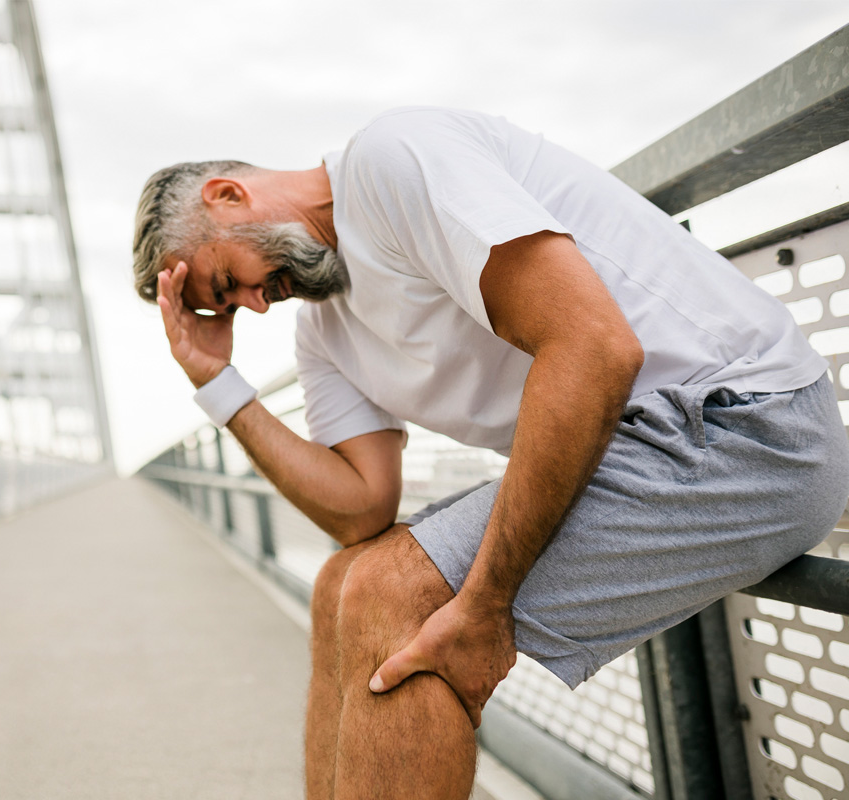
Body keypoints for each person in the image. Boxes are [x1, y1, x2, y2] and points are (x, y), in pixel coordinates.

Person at [130, 107, 849, 799]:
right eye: (230, 308)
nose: (254, 306)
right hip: (636, 448)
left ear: (228, 195)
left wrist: (484, 607)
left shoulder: (393, 160)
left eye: (229, 283)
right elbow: (359, 511)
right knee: (342, 583)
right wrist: (220, 385)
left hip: (749, 425)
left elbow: (594, 348)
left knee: (395, 596)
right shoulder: (324, 331)